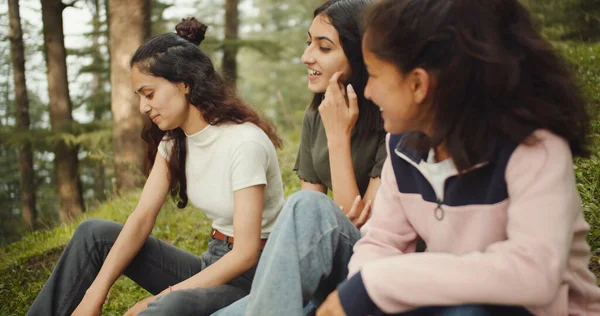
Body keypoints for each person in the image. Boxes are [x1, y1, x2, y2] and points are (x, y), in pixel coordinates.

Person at [217, 0, 600, 315]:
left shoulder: (534, 148)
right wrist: (358, 294)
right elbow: (381, 241)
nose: (369, 92)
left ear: (418, 84)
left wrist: (374, 285)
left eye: (378, 78)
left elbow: (533, 273)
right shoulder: (404, 146)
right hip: (441, 294)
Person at [26, 17, 285, 316]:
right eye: (140, 97)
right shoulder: (174, 143)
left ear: (184, 84)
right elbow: (141, 217)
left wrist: (158, 298)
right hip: (214, 261)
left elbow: (245, 254)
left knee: (169, 305)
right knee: (93, 233)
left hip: (257, 277)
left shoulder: (244, 142)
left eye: (149, 94)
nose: (143, 107)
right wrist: (93, 296)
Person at [295, 0, 386, 227]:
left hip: (380, 250)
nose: (306, 57)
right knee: (298, 206)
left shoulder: (392, 120)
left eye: (324, 47)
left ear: (360, 55)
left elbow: (361, 226)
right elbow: (311, 212)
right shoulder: (316, 115)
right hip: (333, 240)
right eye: (309, 42)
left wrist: (338, 136)